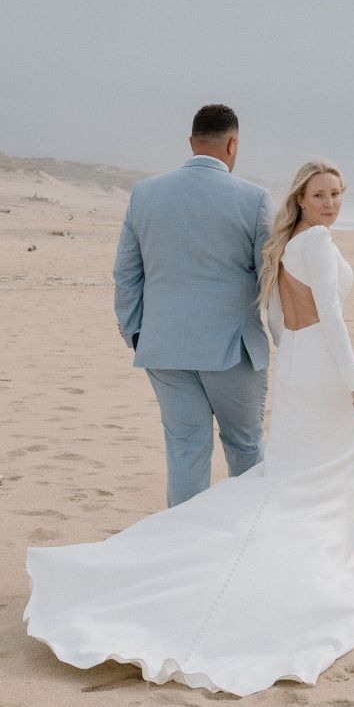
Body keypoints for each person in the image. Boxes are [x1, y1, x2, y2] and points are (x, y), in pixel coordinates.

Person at [23, 159, 354, 697]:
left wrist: (286, 370)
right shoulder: (310, 242)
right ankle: (317, 559)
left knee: (268, 470)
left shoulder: (284, 241)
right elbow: (329, 317)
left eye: (337, 193)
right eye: (321, 194)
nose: (331, 202)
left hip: (278, 364)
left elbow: (276, 321)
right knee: (299, 470)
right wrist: (353, 382)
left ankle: (307, 550)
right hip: (316, 370)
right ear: (301, 198)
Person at [112, 103, 274, 507]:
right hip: (233, 348)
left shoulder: (144, 193)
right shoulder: (254, 199)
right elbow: (268, 276)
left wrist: (136, 333)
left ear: (191, 142)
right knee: (246, 447)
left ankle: (184, 550)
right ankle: (249, 535)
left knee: (186, 452)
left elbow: (127, 274)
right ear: (233, 144)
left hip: (163, 345)